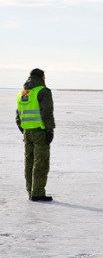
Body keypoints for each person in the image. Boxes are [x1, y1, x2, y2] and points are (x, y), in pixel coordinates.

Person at [16, 68, 55, 201]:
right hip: (40, 131)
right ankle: (37, 193)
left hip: (27, 132)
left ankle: (30, 191)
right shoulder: (43, 91)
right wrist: (49, 130)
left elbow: (18, 114)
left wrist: (24, 129)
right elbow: (47, 113)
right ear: (42, 77)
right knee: (41, 163)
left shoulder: (23, 93)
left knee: (29, 162)